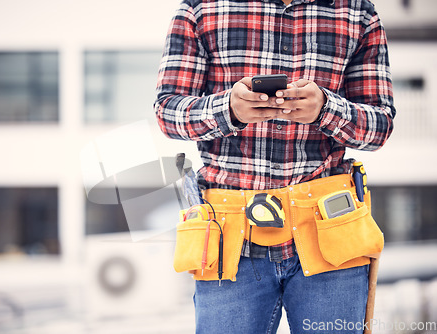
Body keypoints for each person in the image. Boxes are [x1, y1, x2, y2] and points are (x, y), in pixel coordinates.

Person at [155, 0, 395, 333]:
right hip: (230, 243)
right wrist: (230, 109)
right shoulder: (201, 8)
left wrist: (326, 109)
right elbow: (168, 113)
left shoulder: (357, 11)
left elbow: (379, 126)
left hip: (330, 238)